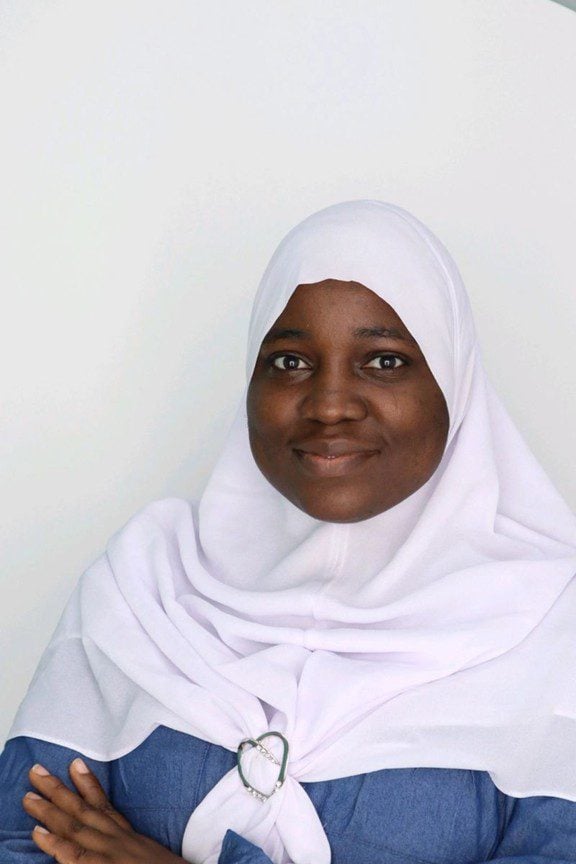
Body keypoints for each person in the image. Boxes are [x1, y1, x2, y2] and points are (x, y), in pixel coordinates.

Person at [2, 199, 576, 864]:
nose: (330, 405)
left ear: (455, 381)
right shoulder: (140, 588)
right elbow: (23, 843)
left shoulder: (551, 628)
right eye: (289, 362)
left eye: (384, 362)